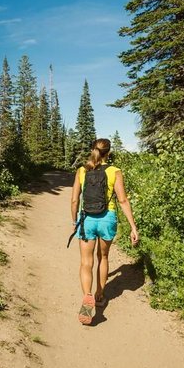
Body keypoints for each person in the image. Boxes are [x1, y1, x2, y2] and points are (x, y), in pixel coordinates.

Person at [70, 138, 139, 325]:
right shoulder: (114, 171)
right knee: (104, 258)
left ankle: (87, 296)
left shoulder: (82, 171)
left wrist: (75, 220)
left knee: (86, 262)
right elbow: (123, 200)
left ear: (93, 150)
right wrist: (133, 227)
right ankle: (100, 297)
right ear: (108, 153)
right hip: (107, 218)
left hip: (87, 219)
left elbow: (75, 200)